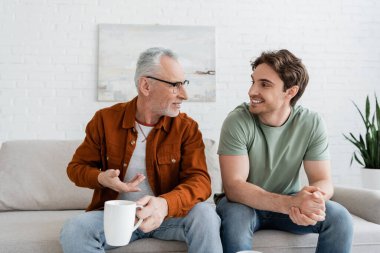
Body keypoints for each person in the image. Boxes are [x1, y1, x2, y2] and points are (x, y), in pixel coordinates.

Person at [60, 47, 222, 253]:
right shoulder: (104, 120)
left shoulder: (186, 128)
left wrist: (164, 204)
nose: (185, 94)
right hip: (118, 218)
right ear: (146, 85)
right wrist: (101, 178)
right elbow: (76, 168)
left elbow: (200, 181)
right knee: (75, 229)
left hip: (168, 217)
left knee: (206, 215)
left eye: (184, 84)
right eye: (175, 85)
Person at [216, 49, 354, 253]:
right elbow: (234, 187)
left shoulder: (311, 122)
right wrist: (290, 204)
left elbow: (323, 180)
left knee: (340, 217)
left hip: (290, 201)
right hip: (243, 204)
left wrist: (312, 201)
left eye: (264, 84)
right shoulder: (237, 121)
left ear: (290, 91)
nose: (252, 91)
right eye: (253, 81)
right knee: (236, 220)